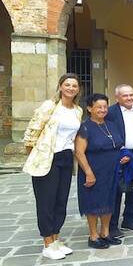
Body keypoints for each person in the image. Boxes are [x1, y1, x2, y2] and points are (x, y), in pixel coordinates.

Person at [22, 73, 83, 260]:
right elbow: (32, 131)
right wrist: (33, 154)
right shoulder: (49, 106)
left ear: (78, 89)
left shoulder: (77, 110)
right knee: (46, 202)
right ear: (60, 86)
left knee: (61, 201)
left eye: (74, 85)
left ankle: (56, 239)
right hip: (47, 158)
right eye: (67, 84)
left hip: (66, 158)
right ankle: (47, 243)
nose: (71, 88)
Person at [75, 94, 127, 249]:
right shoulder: (85, 127)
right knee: (93, 203)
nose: (103, 110)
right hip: (93, 170)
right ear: (90, 108)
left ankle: (105, 233)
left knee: (109, 201)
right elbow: (78, 152)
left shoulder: (111, 124)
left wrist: (124, 156)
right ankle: (93, 235)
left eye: (105, 107)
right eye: (99, 107)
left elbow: (118, 144)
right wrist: (88, 172)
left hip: (111, 171)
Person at [106, 84, 133, 238]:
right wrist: (119, 153)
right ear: (117, 98)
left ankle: (129, 220)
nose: (129, 98)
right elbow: (110, 133)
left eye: (131, 95)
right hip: (121, 156)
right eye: (125, 95)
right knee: (117, 190)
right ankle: (112, 225)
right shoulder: (111, 112)